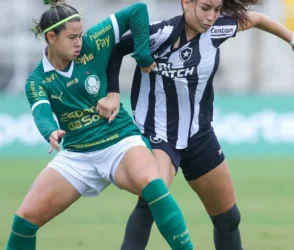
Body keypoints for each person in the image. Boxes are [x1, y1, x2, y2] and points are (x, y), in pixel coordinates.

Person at [99, 0, 294, 249]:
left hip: (199, 135)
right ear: (187, 3)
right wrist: (113, 93)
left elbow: (257, 19)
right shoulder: (158, 34)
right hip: (158, 135)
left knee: (228, 219)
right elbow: (114, 50)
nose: (212, 17)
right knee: (151, 203)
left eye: (216, 9)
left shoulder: (217, 30)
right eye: (206, 8)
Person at [5, 1, 194, 249]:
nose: (79, 42)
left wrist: (143, 54)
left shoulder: (93, 42)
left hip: (119, 141)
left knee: (153, 184)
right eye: (72, 37)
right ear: (51, 37)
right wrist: (50, 131)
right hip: (76, 156)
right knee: (24, 221)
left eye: (80, 35)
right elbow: (41, 111)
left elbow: (137, 10)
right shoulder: (37, 80)